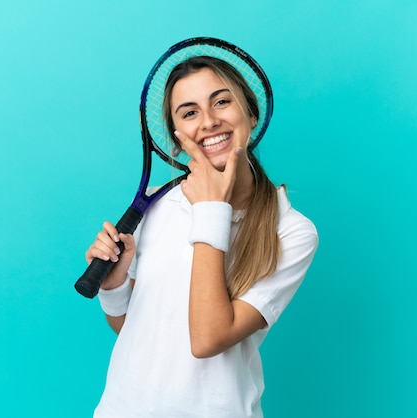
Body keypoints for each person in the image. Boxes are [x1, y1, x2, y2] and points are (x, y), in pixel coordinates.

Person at [86, 55, 318, 417]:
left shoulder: (291, 231)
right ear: (175, 140)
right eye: (189, 112)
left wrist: (211, 209)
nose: (209, 122)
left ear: (251, 115)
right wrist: (114, 288)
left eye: (222, 102)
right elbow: (138, 336)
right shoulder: (158, 207)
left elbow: (208, 339)